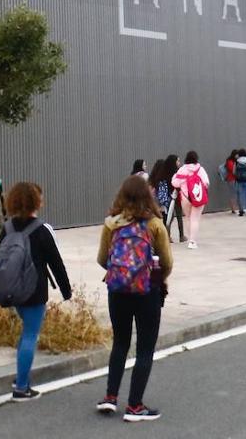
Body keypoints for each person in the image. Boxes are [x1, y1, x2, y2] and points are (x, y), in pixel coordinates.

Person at [94, 175, 171, 422]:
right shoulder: (155, 225)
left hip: (117, 291)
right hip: (147, 291)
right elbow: (167, 262)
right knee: (145, 348)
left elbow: (102, 259)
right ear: (147, 196)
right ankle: (135, 406)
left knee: (120, 343)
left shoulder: (111, 224)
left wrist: (121, 271)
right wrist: (155, 276)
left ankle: (110, 397)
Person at [0, 182, 71, 402]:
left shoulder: (7, 228)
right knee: (31, 335)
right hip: (35, 291)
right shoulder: (41, 230)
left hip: (12, 290)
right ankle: (21, 387)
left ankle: (21, 376)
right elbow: (56, 263)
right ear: (36, 202)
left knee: (25, 332)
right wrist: (66, 289)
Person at [170, 151, 209, 249]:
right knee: (195, 219)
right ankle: (193, 241)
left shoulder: (182, 169)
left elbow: (175, 183)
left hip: (185, 197)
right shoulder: (200, 169)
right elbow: (206, 183)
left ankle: (190, 239)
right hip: (198, 196)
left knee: (188, 218)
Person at [148, 158, 184, 243]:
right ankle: (166, 236)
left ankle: (163, 236)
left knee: (159, 220)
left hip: (155, 203)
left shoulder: (152, 178)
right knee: (167, 219)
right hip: (165, 202)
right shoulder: (164, 179)